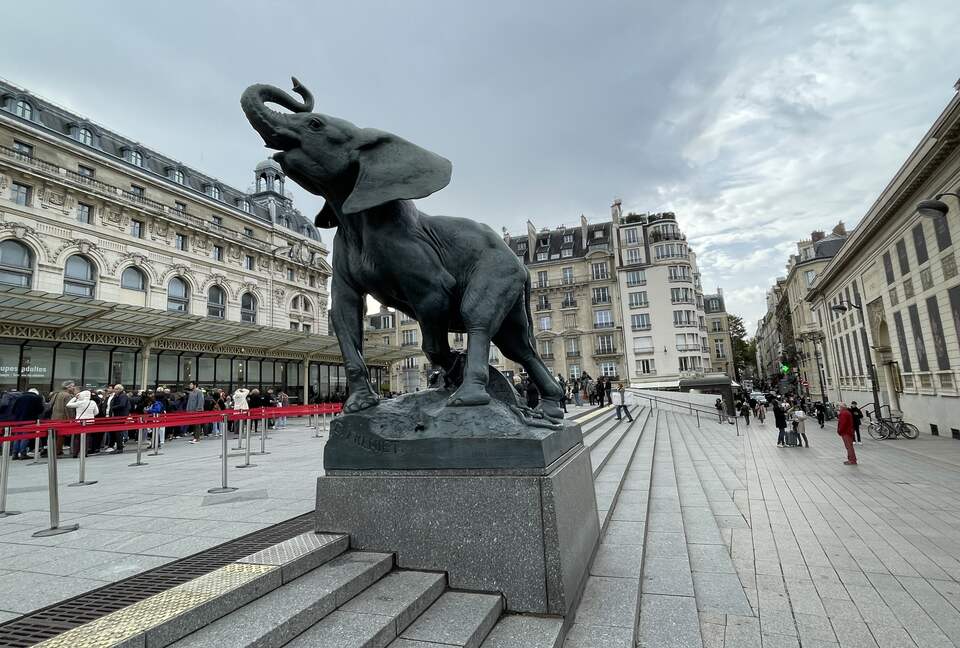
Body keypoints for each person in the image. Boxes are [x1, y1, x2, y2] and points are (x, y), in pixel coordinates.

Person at [10, 388, 45, 460]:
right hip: (29, 420)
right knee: (25, 436)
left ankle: (14, 454)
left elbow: (13, 409)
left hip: (18, 420)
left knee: (17, 436)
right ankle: (23, 453)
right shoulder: (37, 398)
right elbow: (40, 410)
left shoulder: (19, 397)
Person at [104, 384, 131, 454]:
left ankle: (119, 447)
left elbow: (122, 405)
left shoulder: (123, 396)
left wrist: (113, 407)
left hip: (121, 416)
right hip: (117, 416)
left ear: (120, 389)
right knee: (115, 432)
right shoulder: (117, 396)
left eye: (116, 389)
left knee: (119, 432)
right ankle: (114, 446)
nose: (114, 390)